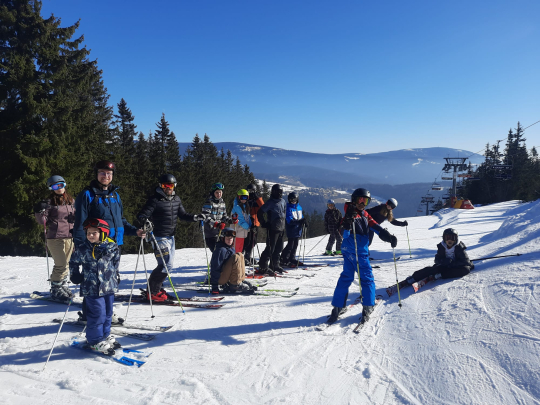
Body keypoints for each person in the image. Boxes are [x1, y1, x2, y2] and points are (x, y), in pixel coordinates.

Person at [73, 160, 144, 321]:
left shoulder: (115, 194)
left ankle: (105, 312)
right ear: (96, 174)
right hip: (95, 246)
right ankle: (89, 314)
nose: (106, 176)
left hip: (114, 246)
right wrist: (79, 245)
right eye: (102, 173)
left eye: (109, 174)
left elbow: (120, 221)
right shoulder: (87, 195)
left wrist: (135, 231)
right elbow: (79, 223)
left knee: (110, 281)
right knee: (93, 281)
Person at [327, 188, 397, 324]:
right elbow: (343, 231)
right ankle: (368, 306)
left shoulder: (364, 214)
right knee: (367, 279)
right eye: (360, 199)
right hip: (358, 252)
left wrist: (388, 236)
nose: (362, 203)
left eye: (365, 200)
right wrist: (347, 224)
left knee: (346, 277)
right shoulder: (351, 213)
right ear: (354, 199)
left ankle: (338, 307)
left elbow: (375, 226)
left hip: (349, 252)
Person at [137, 174, 205, 301]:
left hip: (171, 237)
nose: (168, 188)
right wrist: (146, 221)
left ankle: (154, 289)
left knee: (166, 265)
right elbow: (142, 215)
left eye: (171, 185)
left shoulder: (176, 199)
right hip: (158, 236)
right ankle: (153, 292)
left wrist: (195, 217)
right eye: (165, 185)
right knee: (165, 265)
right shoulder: (155, 200)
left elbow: (183, 215)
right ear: (161, 186)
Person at [70, 218, 121, 354]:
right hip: (91, 287)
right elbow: (73, 262)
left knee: (108, 313)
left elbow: (115, 262)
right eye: (88, 233)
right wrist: (75, 274)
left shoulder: (112, 246)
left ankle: (105, 335)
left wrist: (116, 275)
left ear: (103, 233)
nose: (90, 236)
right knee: (97, 314)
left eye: (94, 233)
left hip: (108, 286)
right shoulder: (82, 248)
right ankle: (95, 341)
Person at [33, 175, 76, 300]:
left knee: (66, 264)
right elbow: (42, 221)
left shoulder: (71, 201)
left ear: (65, 185)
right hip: (55, 237)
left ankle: (61, 285)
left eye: (61, 185)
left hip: (70, 236)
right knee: (61, 264)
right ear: (51, 188)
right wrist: (38, 210)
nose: (59, 188)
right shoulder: (49, 203)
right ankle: (56, 288)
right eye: (55, 186)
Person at [404, 228, 473, 284]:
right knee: (432, 269)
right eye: (447, 237)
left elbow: (466, 261)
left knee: (466, 270)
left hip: (455, 268)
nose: (449, 240)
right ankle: (414, 277)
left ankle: (440, 275)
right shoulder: (442, 247)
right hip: (444, 266)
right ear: (444, 238)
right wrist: (443, 261)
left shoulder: (459, 248)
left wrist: (452, 263)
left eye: (452, 238)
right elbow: (436, 259)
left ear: (456, 239)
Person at [210, 228, 255, 294]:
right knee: (236, 257)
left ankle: (240, 280)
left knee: (240, 255)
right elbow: (215, 267)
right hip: (220, 279)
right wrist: (214, 286)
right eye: (227, 238)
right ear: (223, 238)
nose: (229, 240)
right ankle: (235, 284)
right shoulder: (221, 250)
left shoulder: (231, 248)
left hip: (226, 278)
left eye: (231, 238)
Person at [257, 183, 286, 275]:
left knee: (279, 248)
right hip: (273, 228)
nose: (279, 194)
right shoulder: (270, 202)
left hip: (281, 228)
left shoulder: (283, 201)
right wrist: (264, 223)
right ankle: (263, 266)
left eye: (281, 192)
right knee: (270, 248)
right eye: (277, 192)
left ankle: (274, 265)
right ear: (273, 192)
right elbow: (260, 212)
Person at [201, 182, 230, 252]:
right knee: (217, 251)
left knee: (223, 251)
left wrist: (229, 220)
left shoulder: (222, 203)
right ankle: (215, 263)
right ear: (213, 193)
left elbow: (224, 216)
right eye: (217, 192)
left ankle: (220, 263)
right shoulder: (209, 203)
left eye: (220, 192)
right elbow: (205, 217)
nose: (219, 194)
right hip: (210, 232)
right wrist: (216, 224)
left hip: (219, 231)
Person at [280, 192, 306, 267]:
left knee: (295, 245)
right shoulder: (288, 207)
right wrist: (298, 222)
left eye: (294, 200)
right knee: (290, 245)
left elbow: (301, 216)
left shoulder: (299, 207)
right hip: (291, 228)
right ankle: (284, 259)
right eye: (291, 200)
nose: (293, 201)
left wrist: (304, 220)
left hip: (298, 229)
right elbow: (289, 219)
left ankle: (292, 258)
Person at [243, 183, 265, 266]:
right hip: (248, 223)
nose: (251, 192)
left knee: (253, 241)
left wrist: (258, 198)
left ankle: (248, 256)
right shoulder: (246, 199)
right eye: (249, 191)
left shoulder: (257, 199)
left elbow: (263, 207)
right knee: (248, 241)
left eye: (253, 191)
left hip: (256, 223)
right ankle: (246, 256)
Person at [231, 189, 252, 254]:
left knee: (240, 248)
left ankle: (239, 262)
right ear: (238, 197)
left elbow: (248, 218)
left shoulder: (245, 206)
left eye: (245, 197)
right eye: (242, 197)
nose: (244, 199)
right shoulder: (237, 207)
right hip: (237, 230)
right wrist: (248, 227)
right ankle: (234, 262)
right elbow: (240, 220)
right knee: (237, 248)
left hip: (242, 231)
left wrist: (251, 225)